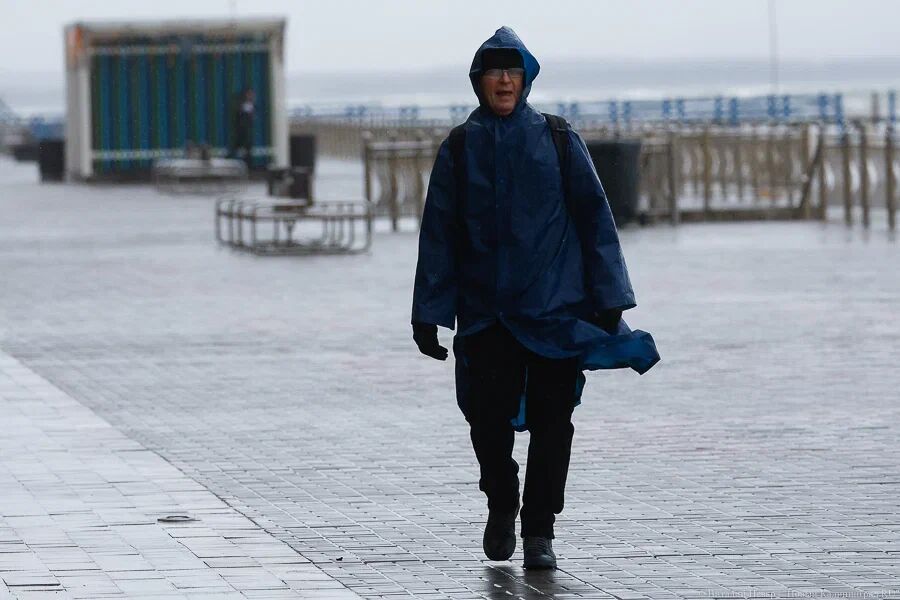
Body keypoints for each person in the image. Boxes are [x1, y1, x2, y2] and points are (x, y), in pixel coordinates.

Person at [410, 27, 660, 570]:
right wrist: (429, 313)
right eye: (494, 71)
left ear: (526, 78)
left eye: (513, 70)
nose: (504, 80)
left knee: (554, 423)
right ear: (479, 80)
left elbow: (596, 219)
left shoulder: (558, 138)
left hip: (554, 310)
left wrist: (610, 297)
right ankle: (502, 499)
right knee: (486, 421)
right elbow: (439, 234)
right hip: (487, 315)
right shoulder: (460, 147)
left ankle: (540, 530)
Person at [229, 88, 255, 169]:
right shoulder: (242, 105)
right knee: (237, 148)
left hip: (247, 131)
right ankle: (229, 161)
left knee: (246, 149)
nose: (252, 96)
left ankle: (248, 166)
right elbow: (240, 118)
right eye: (249, 94)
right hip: (241, 131)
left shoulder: (250, 105)